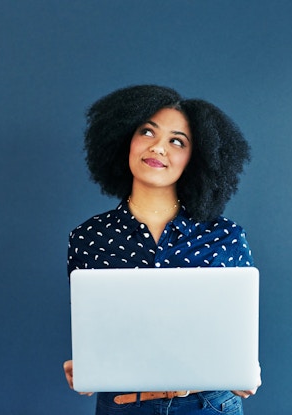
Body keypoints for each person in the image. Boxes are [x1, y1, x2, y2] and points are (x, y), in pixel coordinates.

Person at [62, 85, 261, 415]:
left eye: (177, 141)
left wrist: (244, 369)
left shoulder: (226, 236)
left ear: (195, 158)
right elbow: (97, 331)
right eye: (147, 132)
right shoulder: (88, 237)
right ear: (125, 139)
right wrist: (85, 363)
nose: (158, 147)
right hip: (124, 406)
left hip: (209, 404)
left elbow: (235, 333)